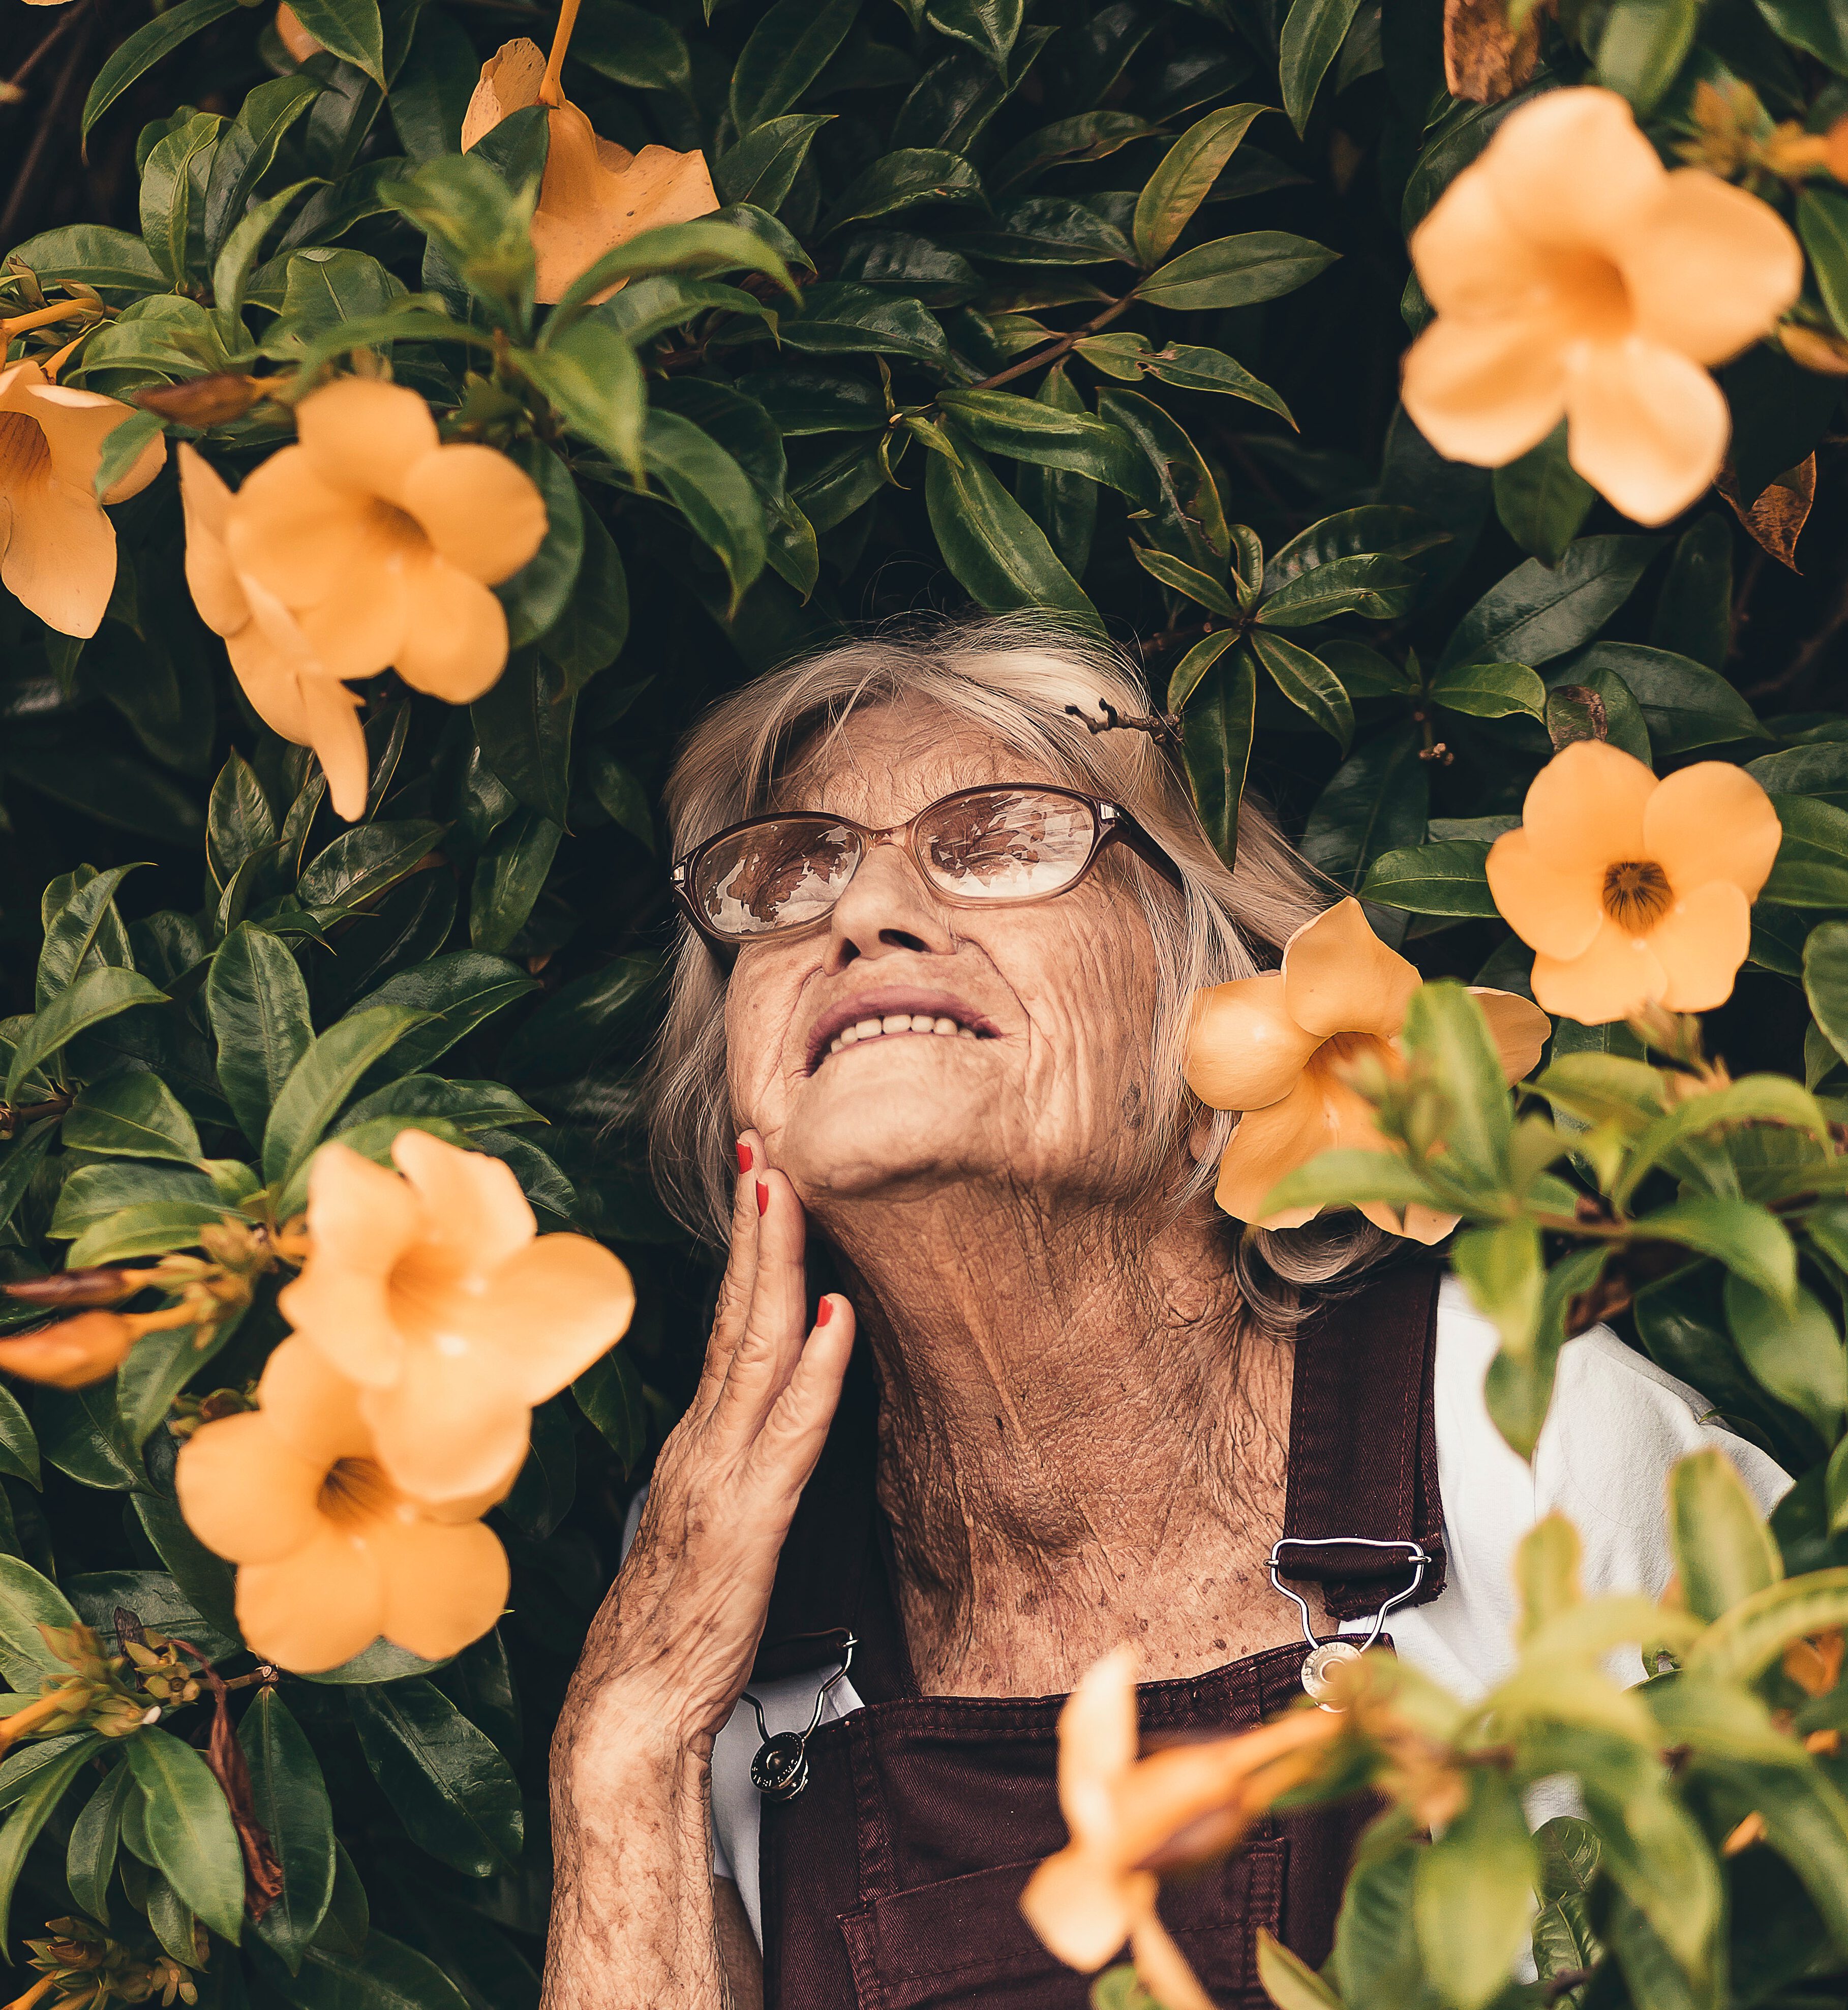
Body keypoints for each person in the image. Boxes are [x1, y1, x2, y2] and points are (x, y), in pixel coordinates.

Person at [540, 616, 1785, 2010]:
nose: (862, 912)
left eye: (996, 836)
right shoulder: (722, 1559)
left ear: (1211, 989)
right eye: (791, 868)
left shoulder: (1517, 1433)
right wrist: (628, 1738)